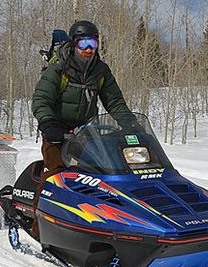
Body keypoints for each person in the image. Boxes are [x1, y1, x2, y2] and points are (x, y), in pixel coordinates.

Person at [32, 18, 137, 181]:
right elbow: (41, 99)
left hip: (86, 133)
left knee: (101, 175)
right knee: (53, 178)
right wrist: (47, 123)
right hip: (57, 132)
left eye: (93, 44)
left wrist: (129, 122)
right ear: (74, 44)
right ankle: (40, 205)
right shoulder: (58, 69)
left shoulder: (100, 71)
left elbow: (114, 101)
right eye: (83, 44)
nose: (89, 49)